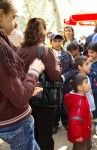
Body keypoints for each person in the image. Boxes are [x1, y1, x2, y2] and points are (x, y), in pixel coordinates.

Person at [0, 1, 45, 149]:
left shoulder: (5, 41)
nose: (15, 24)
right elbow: (19, 97)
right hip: (14, 122)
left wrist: (27, 87)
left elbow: (7, 84)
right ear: (1, 15)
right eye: (13, 17)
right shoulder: (2, 49)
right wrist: (33, 72)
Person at [17, 18, 61, 150]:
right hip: (43, 98)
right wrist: (58, 62)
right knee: (45, 134)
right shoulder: (45, 50)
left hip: (24, 97)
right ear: (42, 31)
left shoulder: (19, 50)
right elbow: (55, 76)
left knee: (32, 133)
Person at [50, 33, 78, 134]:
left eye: (59, 41)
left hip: (66, 85)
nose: (57, 43)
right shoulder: (48, 54)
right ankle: (54, 124)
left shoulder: (68, 55)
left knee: (66, 105)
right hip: (53, 86)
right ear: (51, 42)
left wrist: (63, 77)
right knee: (55, 105)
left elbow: (73, 69)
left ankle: (66, 122)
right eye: (55, 41)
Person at [65, 74, 92, 150]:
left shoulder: (81, 97)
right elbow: (74, 120)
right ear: (80, 87)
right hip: (81, 135)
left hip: (85, 130)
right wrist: (78, 135)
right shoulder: (79, 103)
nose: (89, 84)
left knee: (87, 146)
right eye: (86, 82)